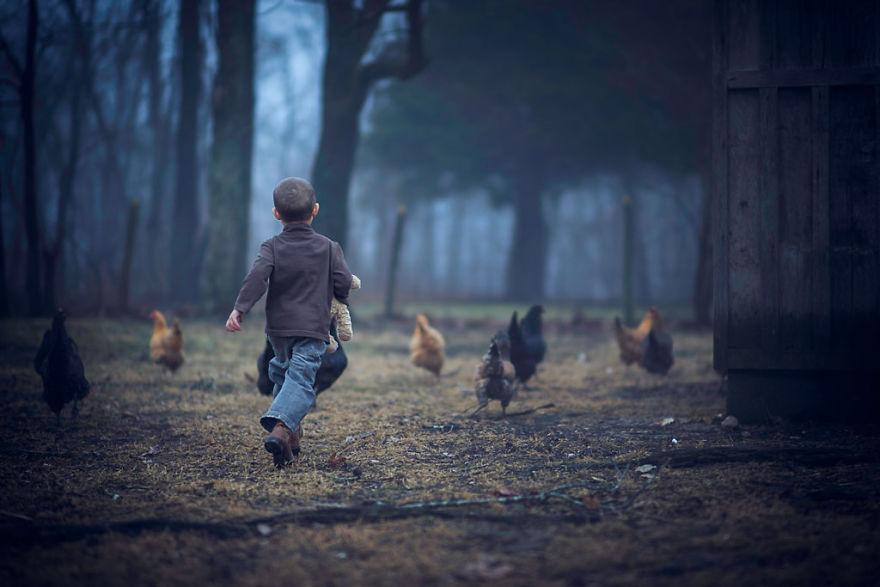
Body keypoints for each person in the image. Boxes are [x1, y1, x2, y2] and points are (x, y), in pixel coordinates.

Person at [225, 177, 352, 468]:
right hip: (312, 329)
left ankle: (292, 439)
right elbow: (343, 281)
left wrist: (240, 308)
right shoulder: (329, 248)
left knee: (283, 375)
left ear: (276, 214)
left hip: (278, 331)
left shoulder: (271, 246)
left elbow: (256, 278)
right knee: (302, 381)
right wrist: (340, 298)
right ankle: (281, 429)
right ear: (315, 210)